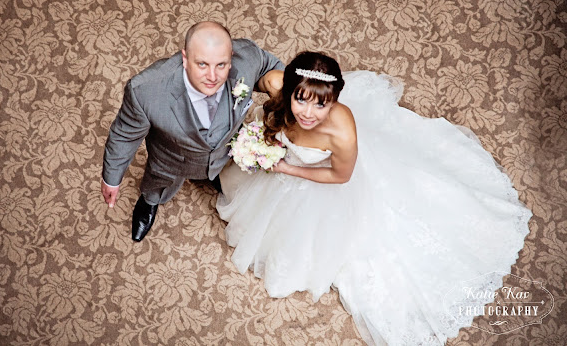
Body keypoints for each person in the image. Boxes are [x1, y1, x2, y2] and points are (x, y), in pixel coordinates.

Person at [217, 52, 532, 345]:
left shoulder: (342, 133)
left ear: (333, 101)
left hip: (319, 184)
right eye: (301, 100)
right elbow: (245, 81)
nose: (309, 114)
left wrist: (287, 168)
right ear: (289, 91)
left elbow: (340, 176)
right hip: (283, 168)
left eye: (321, 104)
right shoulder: (276, 83)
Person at [101, 21, 284, 242]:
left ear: (231, 57)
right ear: (185, 58)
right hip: (172, 159)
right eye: (202, 64)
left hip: (223, 151)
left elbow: (269, 66)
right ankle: (150, 201)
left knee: (223, 169)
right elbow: (124, 135)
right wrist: (112, 179)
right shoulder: (145, 91)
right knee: (159, 182)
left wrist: (284, 96)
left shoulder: (247, 56)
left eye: (221, 65)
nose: (212, 77)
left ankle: (212, 174)